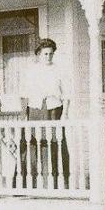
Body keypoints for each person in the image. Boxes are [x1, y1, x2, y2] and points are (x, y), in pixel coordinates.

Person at [20, 38, 70, 187]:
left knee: (55, 143)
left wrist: (65, 114)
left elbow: (67, 95)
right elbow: (23, 94)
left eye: (50, 54)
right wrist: (24, 115)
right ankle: (30, 183)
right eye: (45, 54)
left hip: (54, 109)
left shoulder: (59, 70)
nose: (48, 57)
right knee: (32, 144)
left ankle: (57, 182)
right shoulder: (31, 71)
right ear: (38, 55)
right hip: (35, 109)